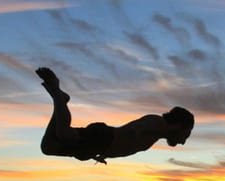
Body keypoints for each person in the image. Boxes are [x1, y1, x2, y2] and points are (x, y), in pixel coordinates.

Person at [36, 67, 194, 164]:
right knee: (63, 134)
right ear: (180, 125)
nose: (182, 142)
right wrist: (106, 147)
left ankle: (60, 102)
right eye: (185, 135)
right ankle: (58, 95)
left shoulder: (157, 134)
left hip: (99, 146)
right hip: (103, 136)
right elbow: (136, 131)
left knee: (49, 147)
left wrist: (104, 154)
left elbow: (128, 147)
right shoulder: (157, 123)